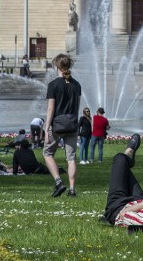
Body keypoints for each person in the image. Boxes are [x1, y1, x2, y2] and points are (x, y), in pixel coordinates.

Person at [43, 53, 82, 198]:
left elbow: (50, 109)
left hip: (57, 124)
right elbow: (77, 106)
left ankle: (59, 182)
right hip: (72, 124)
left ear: (57, 66)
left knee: (47, 153)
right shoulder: (76, 84)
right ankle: (72, 189)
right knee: (70, 158)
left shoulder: (53, 85)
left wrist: (46, 129)